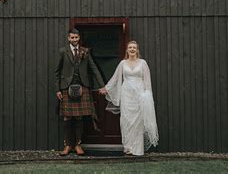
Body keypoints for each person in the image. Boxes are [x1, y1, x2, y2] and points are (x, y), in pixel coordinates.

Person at [100, 41, 159, 156]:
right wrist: (107, 88)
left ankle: (137, 149)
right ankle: (128, 147)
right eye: (130, 47)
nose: (132, 49)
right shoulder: (122, 63)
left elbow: (147, 81)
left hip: (139, 94)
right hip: (126, 94)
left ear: (137, 50)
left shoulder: (143, 63)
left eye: (134, 48)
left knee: (138, 121)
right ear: (127, 50)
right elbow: (116, 77)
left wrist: (147, 95)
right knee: (126, 120)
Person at [55, 28, 106, 156]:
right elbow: (57, 72)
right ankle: (67, 145)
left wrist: (102, 86)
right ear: (68, 38)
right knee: (67, 117)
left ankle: (77, 145)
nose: (74, 40)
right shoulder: (62, 52)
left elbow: (94, 69)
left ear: (79, 38)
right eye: (72, 38)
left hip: (82, 87)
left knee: (78, 117)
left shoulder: (85, 51)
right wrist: (58, 89)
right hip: (66, 87)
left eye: (76, 37)